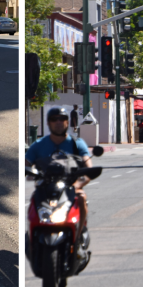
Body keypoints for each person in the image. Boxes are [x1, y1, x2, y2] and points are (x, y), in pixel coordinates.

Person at [25, 107, 92, 250]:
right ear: (48, 123)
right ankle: (31, 239)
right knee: (32, 204)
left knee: (81, 198)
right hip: (45, 189)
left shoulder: (77, 144)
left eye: (62, 119)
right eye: (54, 119)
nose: (58, 122)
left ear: (68, 122)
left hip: (70, 188)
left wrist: (78, 185)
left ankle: (79, 235)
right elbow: (25, 165)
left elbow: (88, 168)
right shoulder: (38, 145)